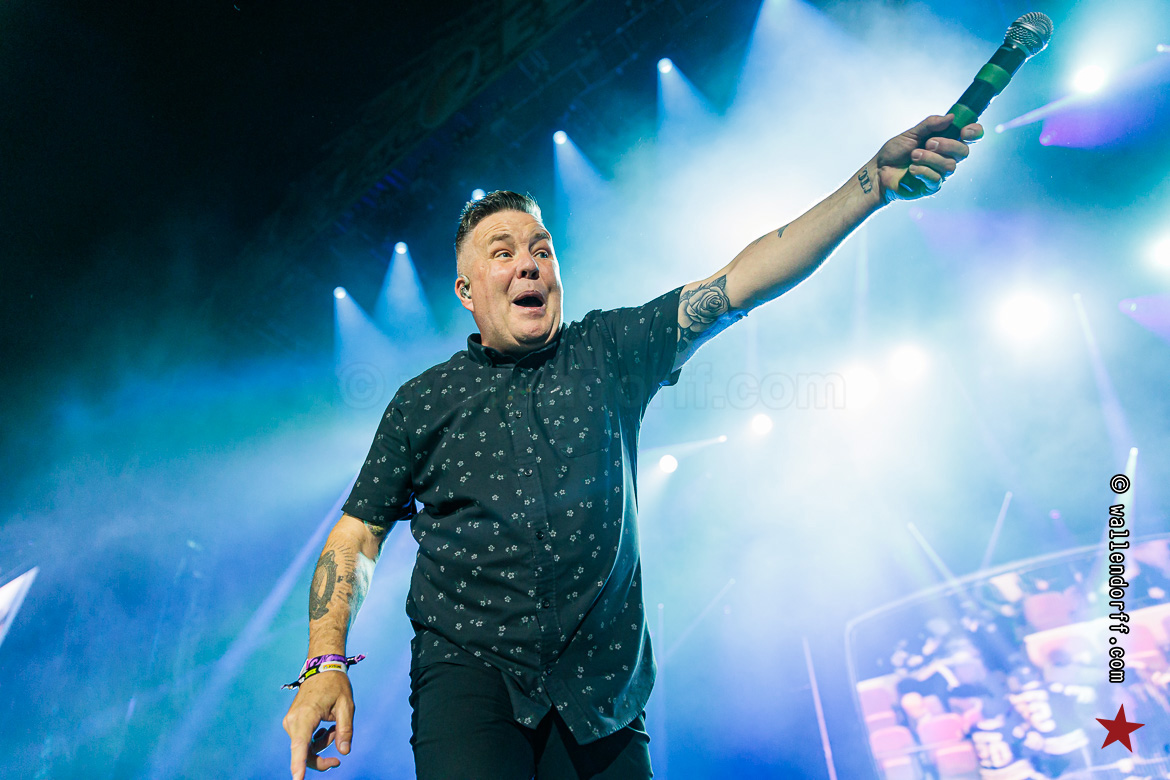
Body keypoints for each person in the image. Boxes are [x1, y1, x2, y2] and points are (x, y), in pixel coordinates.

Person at [281, 112, 984, 779]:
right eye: (503, 253)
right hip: (470, 673)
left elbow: (741, 282)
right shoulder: (423, 401)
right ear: (467, 292)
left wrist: (871, 185)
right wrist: (324, 663)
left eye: (542, 249)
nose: (529, 264)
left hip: (601, 687)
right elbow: (357, 533)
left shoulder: (609, 350)